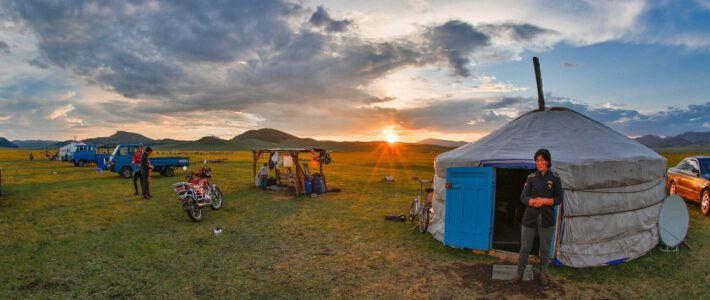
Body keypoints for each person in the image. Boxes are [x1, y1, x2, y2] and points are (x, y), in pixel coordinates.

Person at [512, 148, 562, 285]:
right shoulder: (531, 177)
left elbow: (558, 199)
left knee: (545, 248)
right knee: (525, 247)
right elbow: (523, 197)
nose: (539, 163)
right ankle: (519, 273)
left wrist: (544, 201)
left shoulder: (555, 178)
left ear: (547, 161)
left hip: (547, 218)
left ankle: (543, 274)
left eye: (541, 160)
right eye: (537, 160)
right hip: (530, 217)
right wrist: (532, 201)